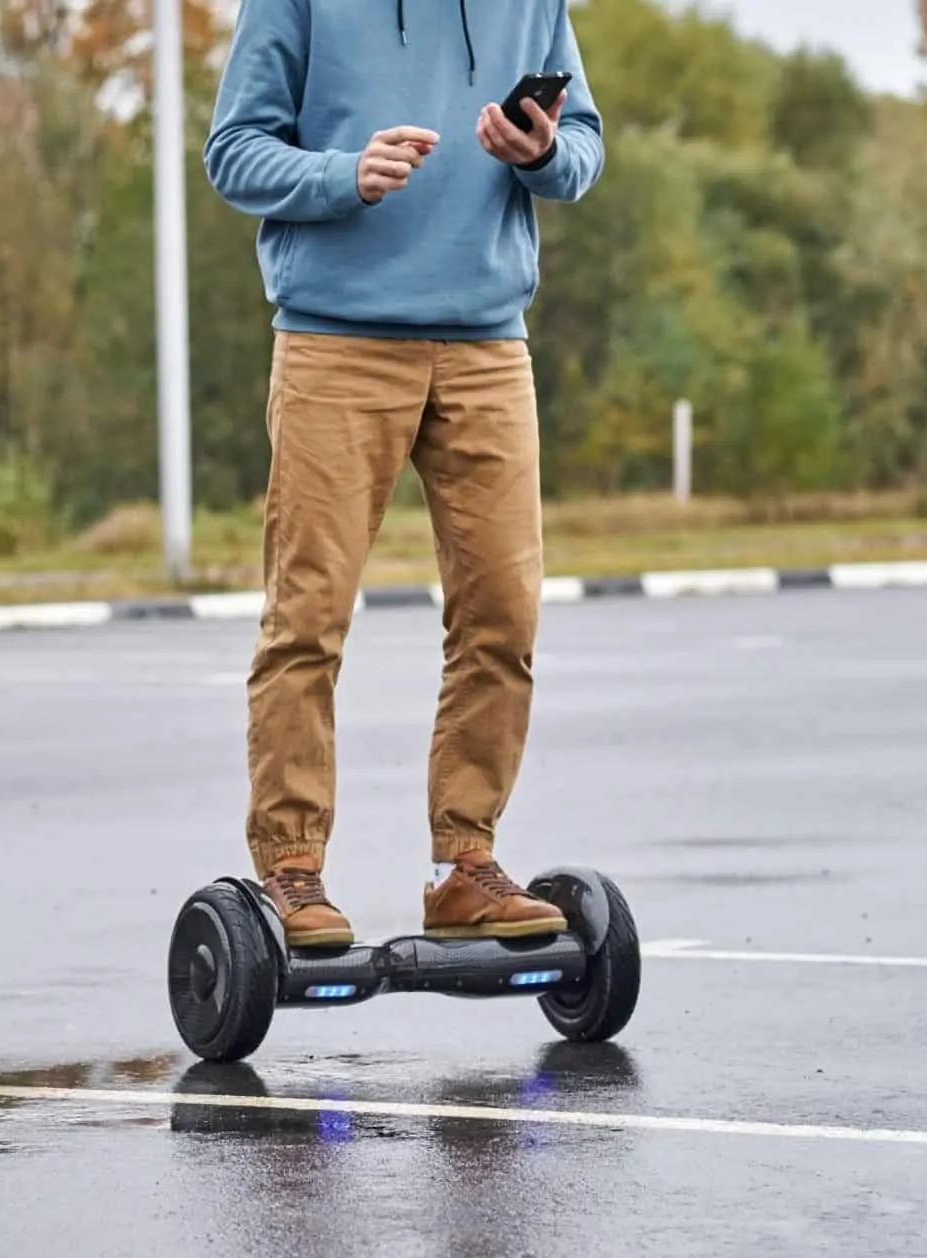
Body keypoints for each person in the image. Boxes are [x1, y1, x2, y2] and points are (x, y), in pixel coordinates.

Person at [203, 0, 604, 947]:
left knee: (503, 616)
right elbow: (234, 153)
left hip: (486, 347)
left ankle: (462, 865)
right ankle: (293, 873)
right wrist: (344, 174)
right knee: (307, 616)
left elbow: (582, 149)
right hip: (335, 343)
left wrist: (539, 151)